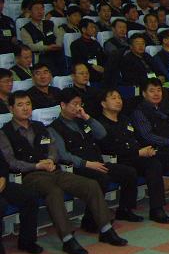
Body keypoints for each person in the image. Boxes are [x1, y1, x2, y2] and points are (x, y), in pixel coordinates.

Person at [0, 90, 128, 254]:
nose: (25, 108)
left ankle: (106, 229)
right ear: (11, 109)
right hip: (30, 176)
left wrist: (51, 160)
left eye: (28, 104)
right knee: (54, 191)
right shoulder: (5, 132)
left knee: (91, 185)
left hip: (54, 170)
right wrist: (36, 165)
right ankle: (68, 239)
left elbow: (52, 147)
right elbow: (10, 161)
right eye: (20, 105)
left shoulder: (39, 126)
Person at [50, 87, 143, 227]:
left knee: (129, 172)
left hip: (97, 163)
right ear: (63, 105)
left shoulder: (82, 121)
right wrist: (87, 163)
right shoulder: (54, 127)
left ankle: (125, 210)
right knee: (101, 179)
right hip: (77, 167)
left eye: (80, 104)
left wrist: (87, 117)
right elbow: (63, 155)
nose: (78, 108)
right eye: (74, 104)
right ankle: (91, 220)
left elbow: (102, 134)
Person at [96, 88, 169, 224]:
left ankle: (157, 208)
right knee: (142, 168)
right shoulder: (100, 124)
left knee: (158, 162)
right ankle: (126, 209)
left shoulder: (124, 119)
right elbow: (110, 148)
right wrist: (138, 152)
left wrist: (146, 149)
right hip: (116, 159)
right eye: (113, 98)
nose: (118, 101)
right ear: (103, 103)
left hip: (134, 155)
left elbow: (135, 139)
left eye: (119, 98)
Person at [0, 151, 43, 254]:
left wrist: (2, 178)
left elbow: (3, 164)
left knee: (30, 197)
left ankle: (27, 241)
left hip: (2, 184)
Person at [20, 0, 64, 75]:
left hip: (56, 52)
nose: (40, 12)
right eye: (36, 9)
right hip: (40, 56)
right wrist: (47, 48)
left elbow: (59, 35)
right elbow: (29, 46)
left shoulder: (50, 23)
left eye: (42, 9)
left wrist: (58, 44)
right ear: (30, 12)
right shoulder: (25, 29)